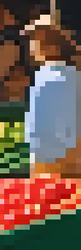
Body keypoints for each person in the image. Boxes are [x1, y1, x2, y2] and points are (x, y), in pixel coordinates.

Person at [23, 15, 80, 177]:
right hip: (67, 155)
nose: (31, 47)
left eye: (34, 41)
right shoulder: (69, 74)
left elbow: (41, 126)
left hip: (52, 158)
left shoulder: (49, 76)